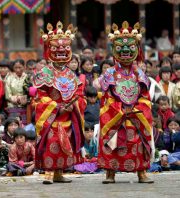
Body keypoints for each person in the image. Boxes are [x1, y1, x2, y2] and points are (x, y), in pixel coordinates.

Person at [98, 21, 154, 183]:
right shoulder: (109, 74)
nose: (125, 51)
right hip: (116, 115)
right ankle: (110, 173)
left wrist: (137, 109)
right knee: (111, 140)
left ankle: (141, 172)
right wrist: (119, 110)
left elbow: (145, 97)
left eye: (130, 47)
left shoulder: (140, 74)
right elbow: (106, 98)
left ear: (136, 49)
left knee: (139, 140)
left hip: (136, 115)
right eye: (121, 48)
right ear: (114, 50)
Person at [33, 21, 86, 184]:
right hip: (52, 116)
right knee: (51, 142)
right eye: (56, 48)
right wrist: (56, 107)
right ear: (49, 50)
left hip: (68, 115)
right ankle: (48, 173)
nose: (61, 51)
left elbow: (79, 94)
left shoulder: (71, 74)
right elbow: (40, 96)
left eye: (65, 48)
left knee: (65, 145)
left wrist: (73, 106)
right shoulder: (45, 73)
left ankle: (58, 173)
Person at [5, 59, 28, 125]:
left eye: (20, 67)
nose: (18, 70)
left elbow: (30, 93)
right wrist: (18, 99)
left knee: (25, 126)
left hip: (25, 107)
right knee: (13, 125)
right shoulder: (9, 78)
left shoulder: (28, 78)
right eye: (16, 68)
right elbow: (8, 95)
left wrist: (24, 99)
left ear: (24, 67)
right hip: (12, 106)